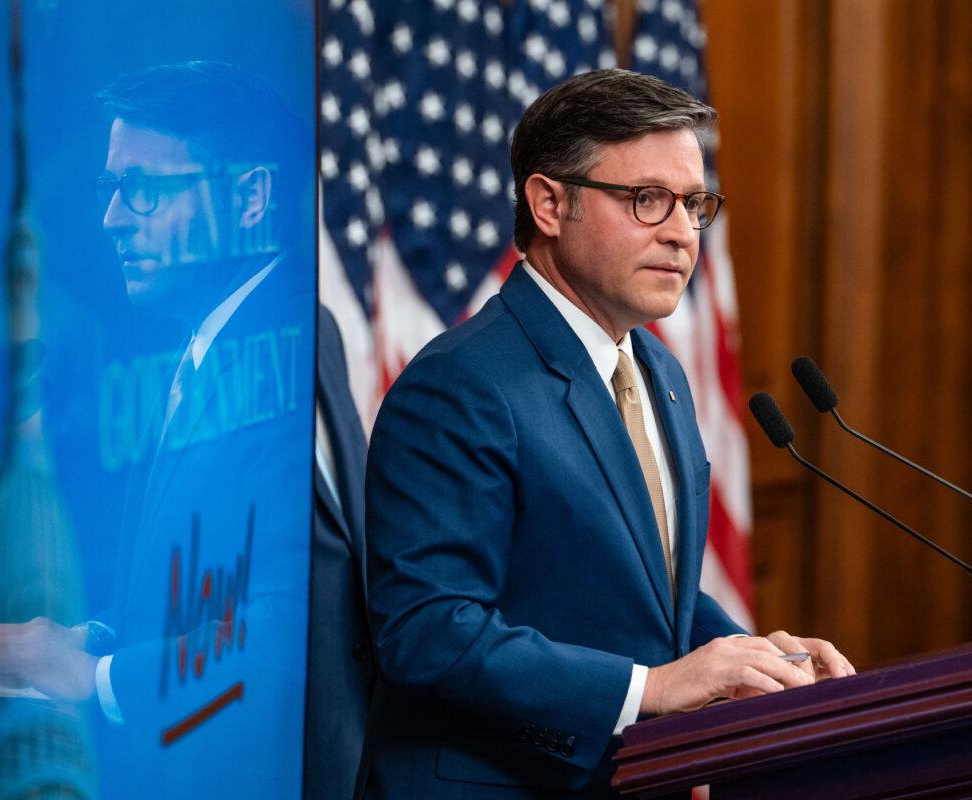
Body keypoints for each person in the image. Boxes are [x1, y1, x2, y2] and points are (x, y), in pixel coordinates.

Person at [361, 69, 855, 799]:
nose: (684, 233)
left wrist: (748, 658)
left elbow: (647, 598)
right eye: (647, 199)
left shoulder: (654, 365)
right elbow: (430, 631)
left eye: (694, 204)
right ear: (550, 203)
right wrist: (652, 687)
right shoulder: (461, 385)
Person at [0, 61, 372, 798]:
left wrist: (94, 678)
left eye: (144, 190)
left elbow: (288, 628)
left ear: (250, 197)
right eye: (109, 188)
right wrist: (67, 643)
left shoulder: (281, 344)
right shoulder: (229, 336)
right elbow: (210, 587)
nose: (112, 219)